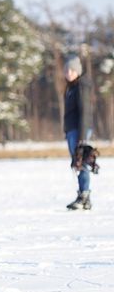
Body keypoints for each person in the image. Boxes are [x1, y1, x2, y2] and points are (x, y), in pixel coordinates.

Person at [62, 55, 94, 210]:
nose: (69, 73)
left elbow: (85, 112)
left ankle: (85, 196)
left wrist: (82, 136)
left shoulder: (81, 86)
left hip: (79, 129)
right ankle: (82, 194)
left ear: (78, 71)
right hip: (72, 130)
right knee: (77, 163)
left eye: (72, 70)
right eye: (66, 70)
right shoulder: (71, 88)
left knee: (81, 161)